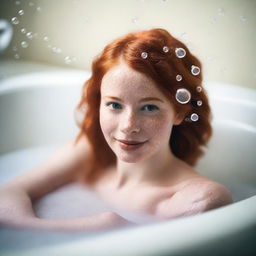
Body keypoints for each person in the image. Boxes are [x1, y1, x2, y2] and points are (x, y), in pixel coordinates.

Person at [0, 28, 233, 232]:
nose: (128, 126)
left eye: (149, 107)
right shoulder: (91, 154)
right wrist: (101, 226)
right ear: (99, 103)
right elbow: (7, 194)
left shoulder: (198, 199)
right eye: (114, 105)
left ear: (180, 112)